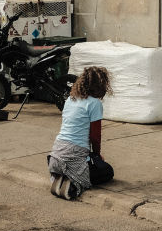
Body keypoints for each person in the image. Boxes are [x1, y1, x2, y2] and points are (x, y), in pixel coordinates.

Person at [47, 66, 114, 200]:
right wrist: (96, 155)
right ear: (101, 85)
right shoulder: (94, 103)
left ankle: (60, 175)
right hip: (74, 154)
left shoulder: (70, 99)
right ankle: (73, 180)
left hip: (56, 154)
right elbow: (95, 136)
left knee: (90, 164)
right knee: (108, 172)